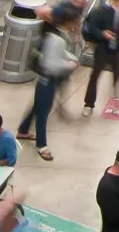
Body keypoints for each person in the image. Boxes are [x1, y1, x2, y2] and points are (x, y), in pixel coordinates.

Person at [16, 11, 75, 161]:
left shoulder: (53, 36)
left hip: (47, 79)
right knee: (43, 113)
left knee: (38, 105)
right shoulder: (57, 39)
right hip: (48, 79)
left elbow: (60, 54)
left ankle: (23, 129)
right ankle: (42, 145)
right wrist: (68, 65)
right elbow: (51, 63)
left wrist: (69, 58)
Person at [82, 0, 119, 115]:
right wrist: (101, 34)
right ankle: (88, 104)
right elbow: (90, 25)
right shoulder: (103, 10)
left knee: (117, 75)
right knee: (95, 75)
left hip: (116, 48)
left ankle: (117, 104)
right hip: (103, 47)